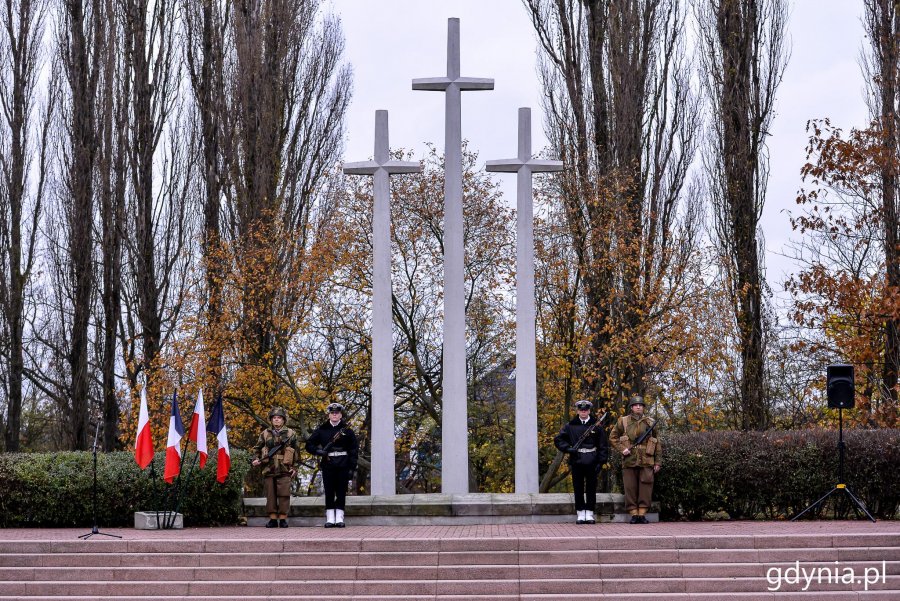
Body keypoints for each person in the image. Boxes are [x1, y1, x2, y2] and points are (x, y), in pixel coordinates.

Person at [554, 399, 610, 524]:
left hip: (592, 460)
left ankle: (589, 512)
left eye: (585, 410)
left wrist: (601, 462)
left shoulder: (596, 426)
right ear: (578, 411)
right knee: (578, 487)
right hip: (577, 460)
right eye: (581, 410)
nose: (583, 412)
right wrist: (568, 448)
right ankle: (580, 512)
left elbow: (603, 445)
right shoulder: (570, 426)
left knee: (591, 487)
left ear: (589, 411)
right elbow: (558, 440)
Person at [306, 402, 358, 528]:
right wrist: (319, 451)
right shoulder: (321, 429)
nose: (334, 415)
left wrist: (352, 468)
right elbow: (309, 445)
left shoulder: (348, 431)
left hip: (343, 464)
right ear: (329, 414)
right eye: (332, 413)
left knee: (341, 491)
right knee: (329, 491)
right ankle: (330, 517)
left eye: (337, 413)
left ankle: (339, 517)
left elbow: (354, 450)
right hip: (328, 464)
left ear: (340, 415)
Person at [612, 395, 662, 524]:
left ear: (644, 407)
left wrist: (658, 462)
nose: (638, 406)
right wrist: (622, 449)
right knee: (630, 488)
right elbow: (613, 438)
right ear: (631, 407)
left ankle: (642, 514)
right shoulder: (623, 421)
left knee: (646, 488)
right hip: (629, 460)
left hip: (647, 460)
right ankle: (633, 514)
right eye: (635, 405)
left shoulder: (650, 422)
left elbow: (657, 443)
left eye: (640, 405)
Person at [252, 407, 301, 528]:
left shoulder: (291, 434)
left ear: (283, 420)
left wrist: (295, 468)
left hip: (285, 468)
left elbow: (297, 452)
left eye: (279, 418)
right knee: (270, 495)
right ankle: (273, 519)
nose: (277, 420)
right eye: (274, 418)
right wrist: (255, 459)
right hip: (269, 468)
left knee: (284, 494)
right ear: (271, 420)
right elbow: (257, 449)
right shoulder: (265, 433)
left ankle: (283, 519)